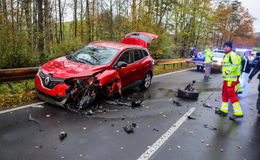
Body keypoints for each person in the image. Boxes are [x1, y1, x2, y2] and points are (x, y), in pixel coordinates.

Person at [215, 41, 243, 120]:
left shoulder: (232, 55)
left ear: (229, 47)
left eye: (225, 47)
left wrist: (227, 72)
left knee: (232, 95)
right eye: (224, 46)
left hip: (231, 79)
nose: (224, 48)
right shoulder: (227, 55)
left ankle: (238, 113)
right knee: (224, 94)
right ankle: (223, 110)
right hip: (226, 79)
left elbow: (235, 65)